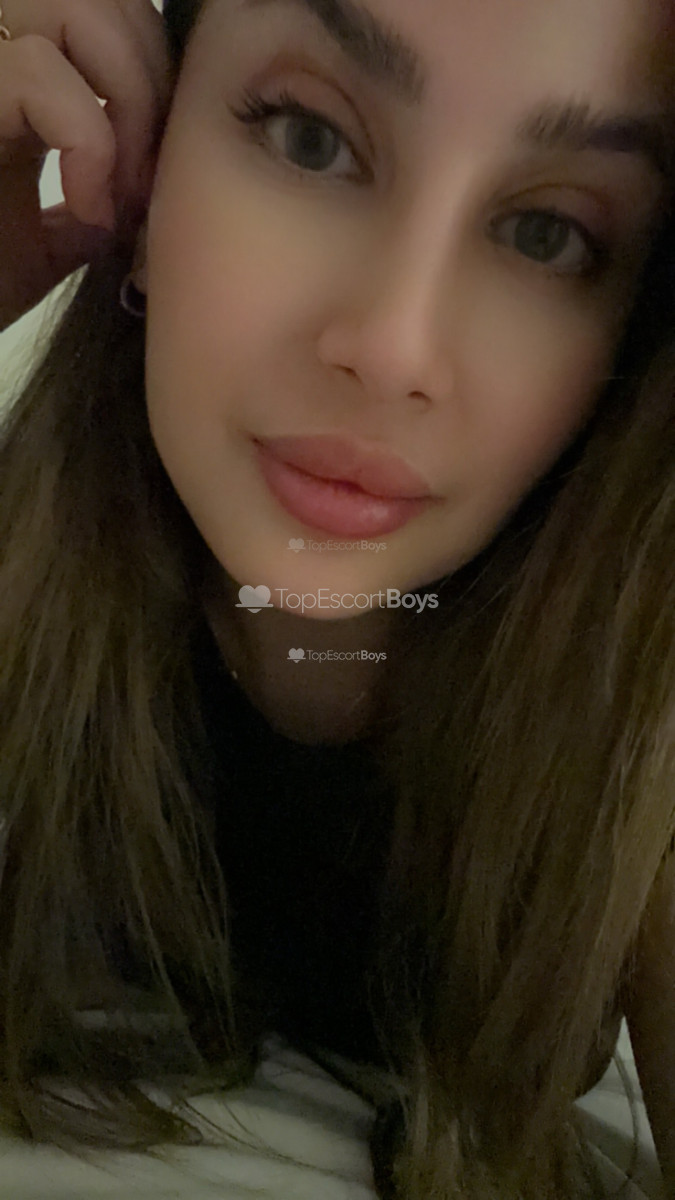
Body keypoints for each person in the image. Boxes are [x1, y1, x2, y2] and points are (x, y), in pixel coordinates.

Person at [0, 0, 674, 1196]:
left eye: (548, 233)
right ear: (144, 184)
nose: (395, 347)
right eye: (310, 138)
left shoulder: (642, 742)